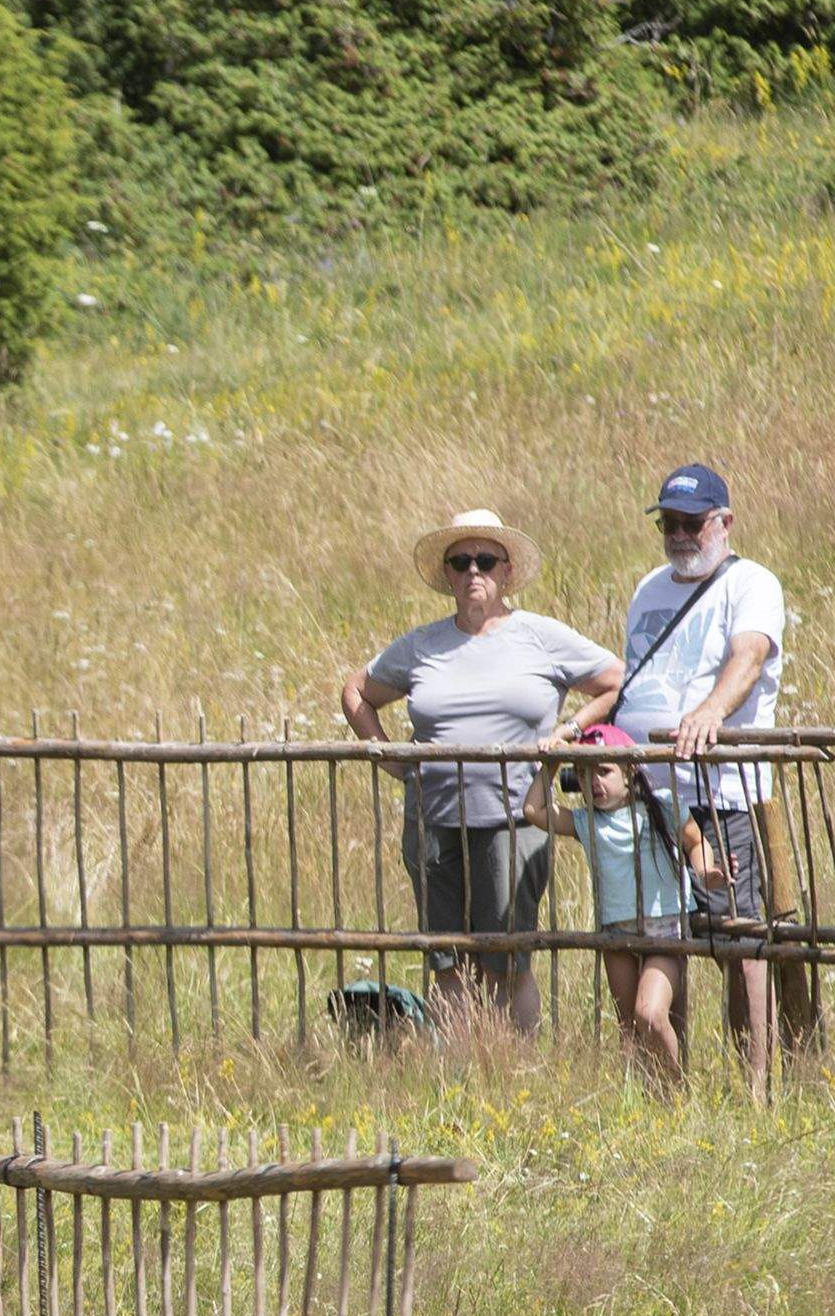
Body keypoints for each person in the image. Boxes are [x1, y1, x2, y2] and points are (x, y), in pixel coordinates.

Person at [337, 509, 623, 1033]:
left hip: (514, 818)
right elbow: (357, 690)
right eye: (461, 561)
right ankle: (459, 1074)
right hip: (432, 818)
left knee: (508, 959)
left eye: (485, 560)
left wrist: (569, 731)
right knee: (446, 960)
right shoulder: (421, 644)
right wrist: (390, 757)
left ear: (507, 572)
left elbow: (614, 681)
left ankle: (514, 1067)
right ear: (446, 574)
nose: (474, 572)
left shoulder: (541, 637)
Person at [578, 464, 789, 1085]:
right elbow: (632, 679)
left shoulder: (750, 584)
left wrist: (709, 712)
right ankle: (673, 1083)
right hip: (646, 795)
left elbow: (748, 656)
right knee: (660, 936)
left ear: (724, 523)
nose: (679, 534)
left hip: (717, 793)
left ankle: (756, 1084)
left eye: (692, 523)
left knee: (736, 938)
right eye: (668, 522)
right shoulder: (649, 588)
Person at [516, 724, 721, 1086]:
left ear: (629, 771)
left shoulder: (663, 807)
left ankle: (674, 1095)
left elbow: (695, 842)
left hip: (665, 930)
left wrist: (705, 870)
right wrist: (552, 762)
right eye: (583, 772)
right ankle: (645, 1099)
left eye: (604, 771)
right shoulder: (587, 822)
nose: (593, 781)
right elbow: (534, 810)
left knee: (650, 1014)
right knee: (629, 1028)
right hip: (616, 932)